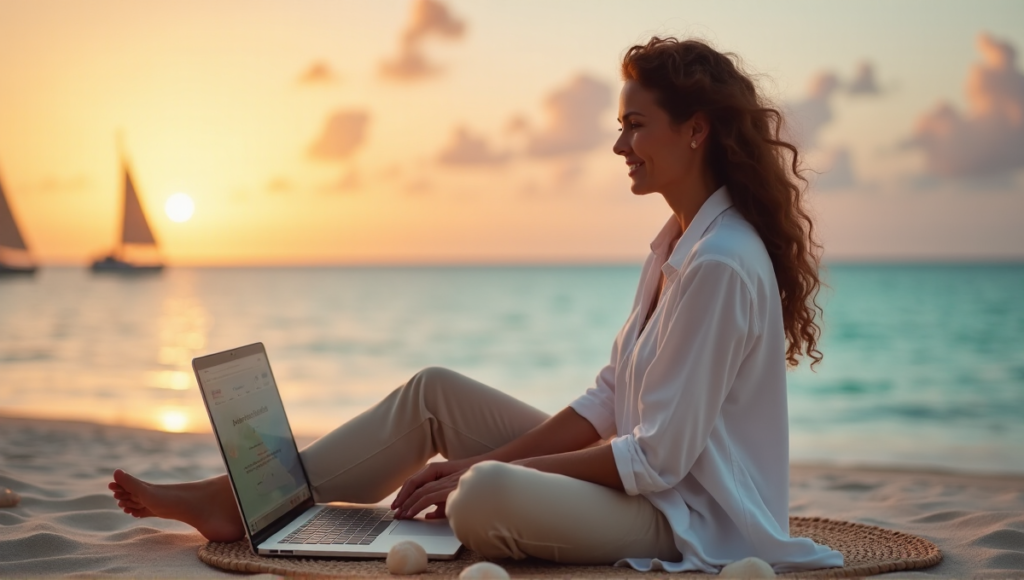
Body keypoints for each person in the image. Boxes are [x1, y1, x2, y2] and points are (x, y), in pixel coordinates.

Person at [109, 37, 844, 573]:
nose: (620, 144)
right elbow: (608, 400)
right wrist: (479, 455)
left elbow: (657, 458)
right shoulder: (675, 244)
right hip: (650, 487)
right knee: (435, 394)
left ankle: (450, 490)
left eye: (635, 124)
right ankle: (246, 503)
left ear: (696, 129)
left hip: (687, 519)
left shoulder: (719, 263)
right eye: (619, 126)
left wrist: (482, 469)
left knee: (485, 495)